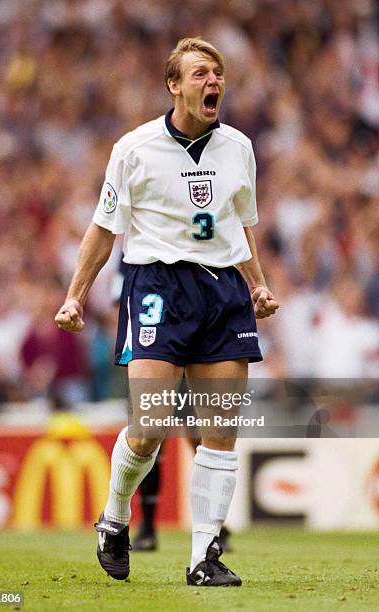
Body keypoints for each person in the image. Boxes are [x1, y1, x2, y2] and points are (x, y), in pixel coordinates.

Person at [55, 37, 279, 587]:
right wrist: (76, 294)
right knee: (151, 424)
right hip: (159, 286)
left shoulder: (239, 148)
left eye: (218, 73)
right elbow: (104, 229)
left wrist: (258, 285)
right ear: (174, 85)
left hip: (224, 292)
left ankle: (204, 556)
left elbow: (238, 223)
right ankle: (114, 517)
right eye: (201, 73)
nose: (214, 82)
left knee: (219, 432)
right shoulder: (135, 148)